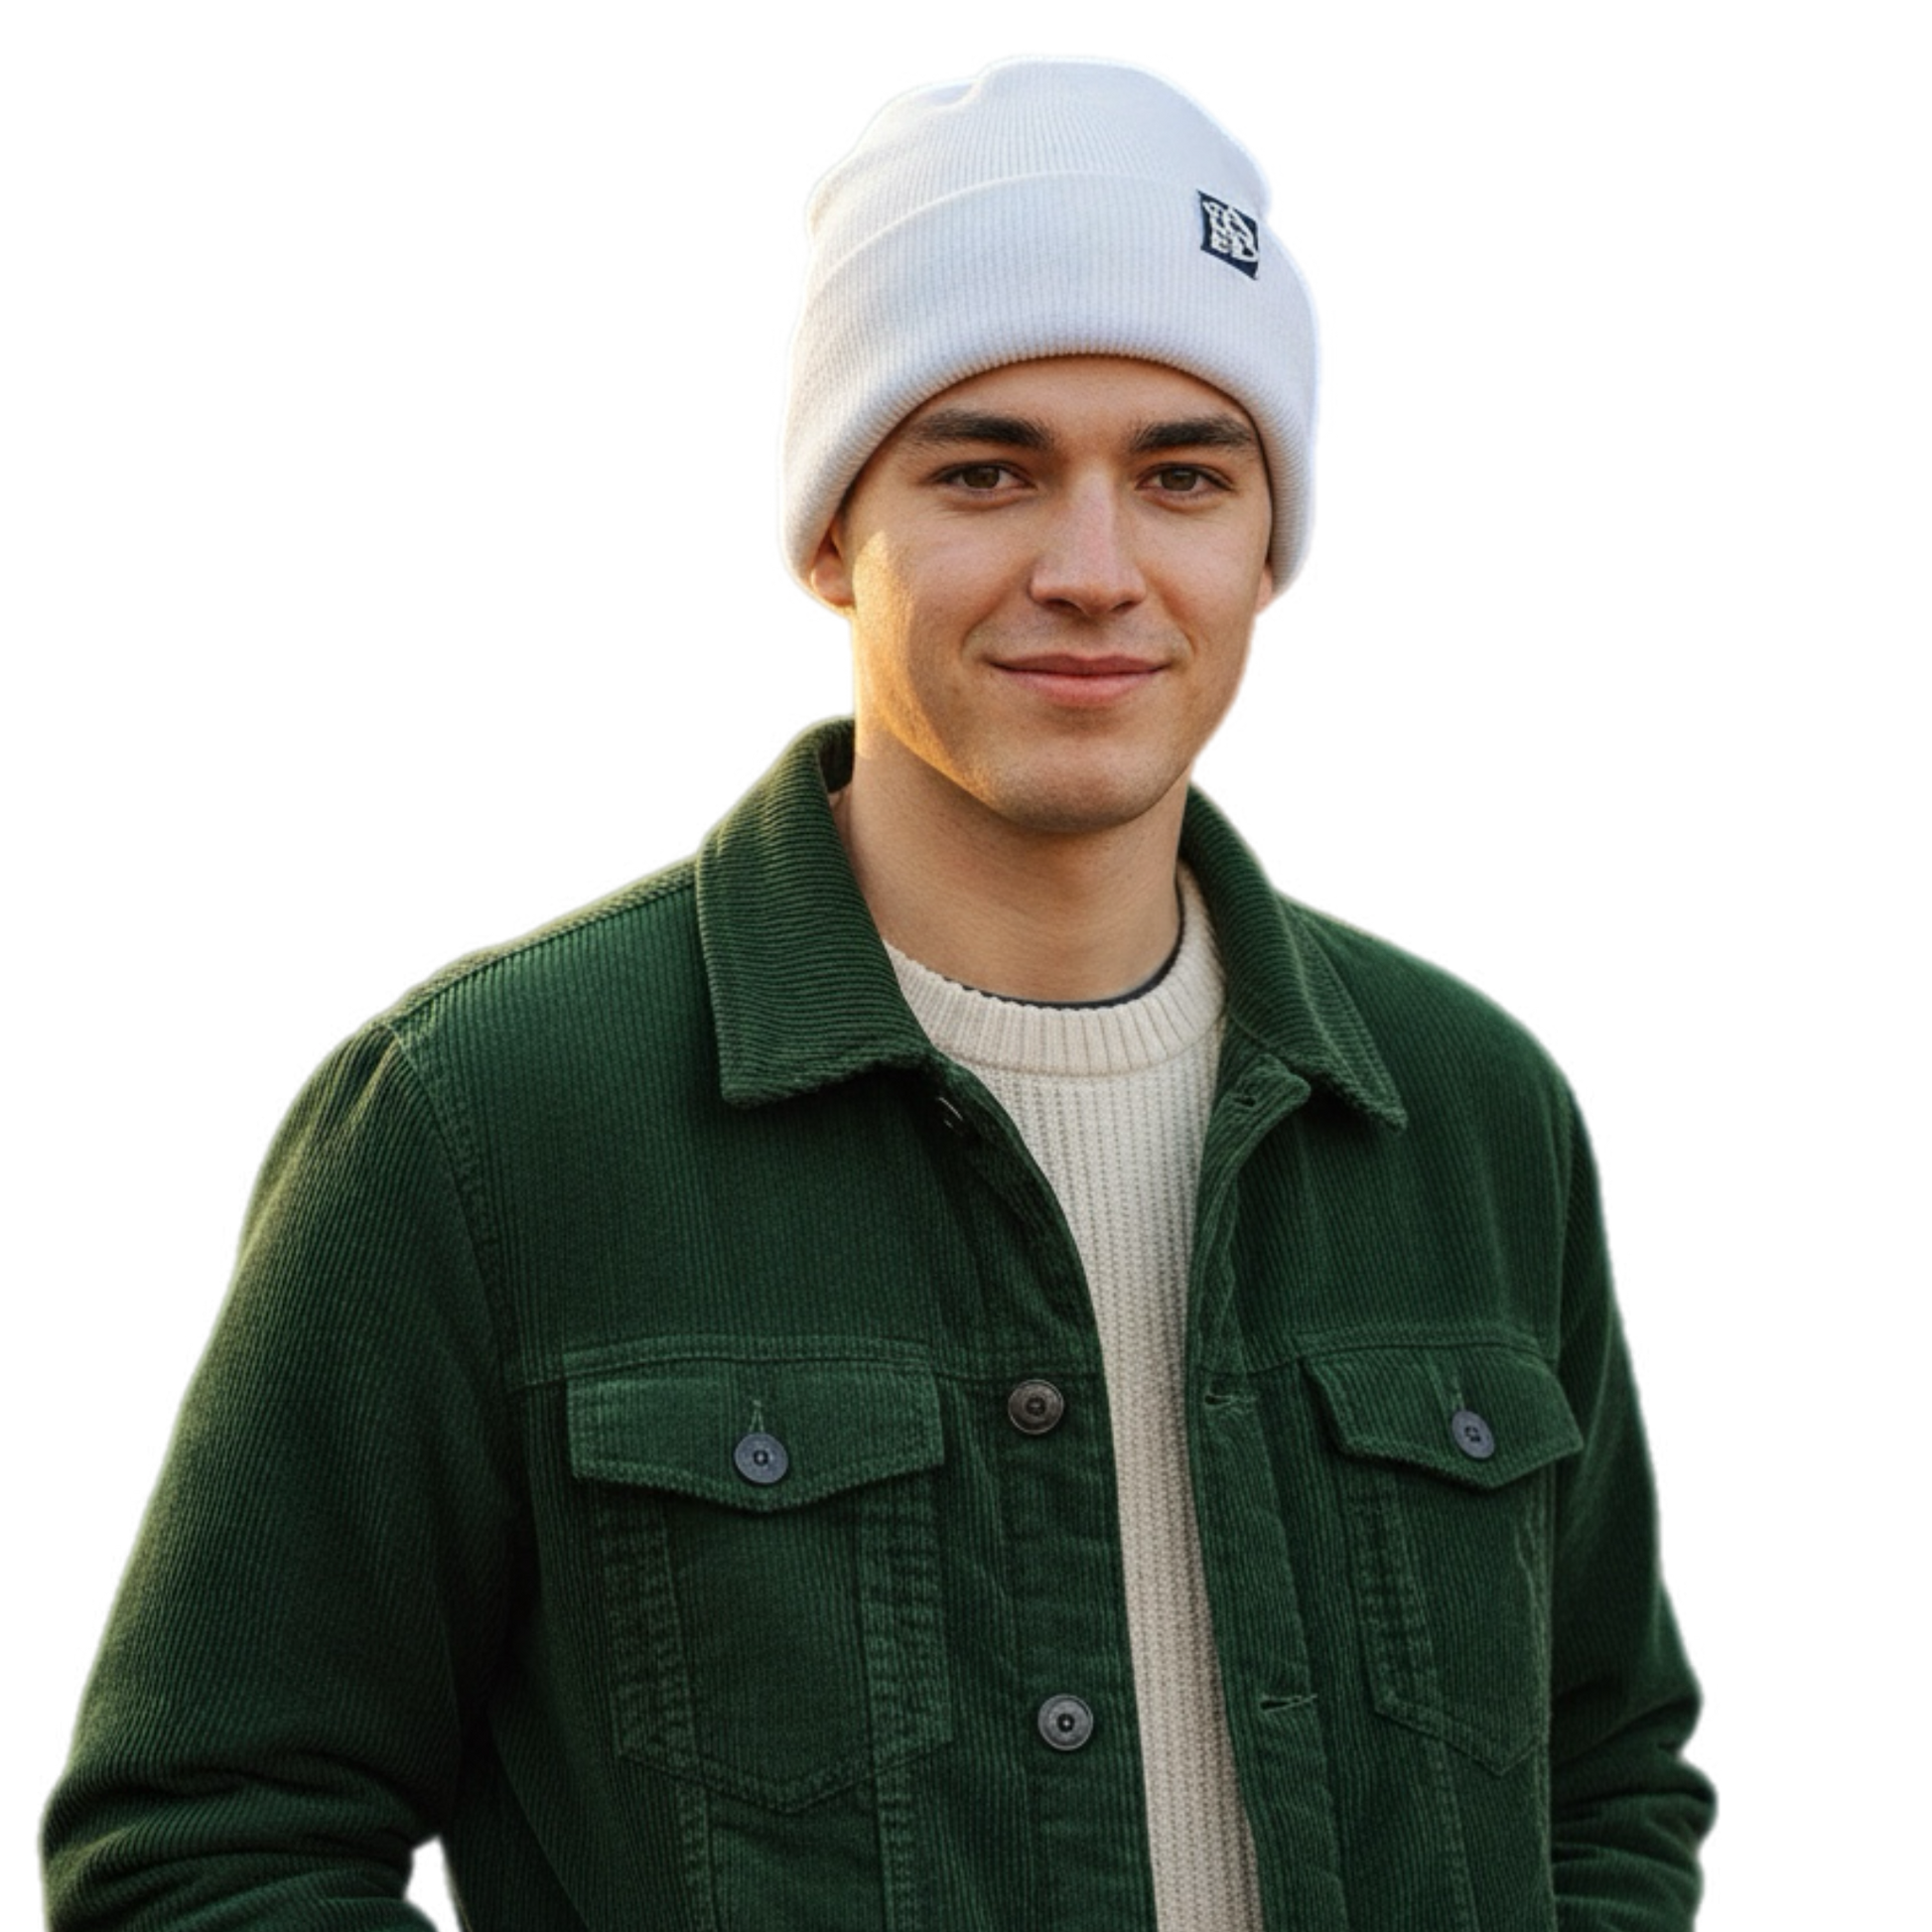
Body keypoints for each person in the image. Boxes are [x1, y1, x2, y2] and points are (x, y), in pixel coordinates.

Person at [38, 49, 1717, 1930]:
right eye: (986, 470)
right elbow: (207, 1851)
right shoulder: (473, 1123)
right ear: (832, 534)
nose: (1092, 570)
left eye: (1181, 475)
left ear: (1274, 550)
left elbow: (1612, 1778)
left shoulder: (1476, 1111)